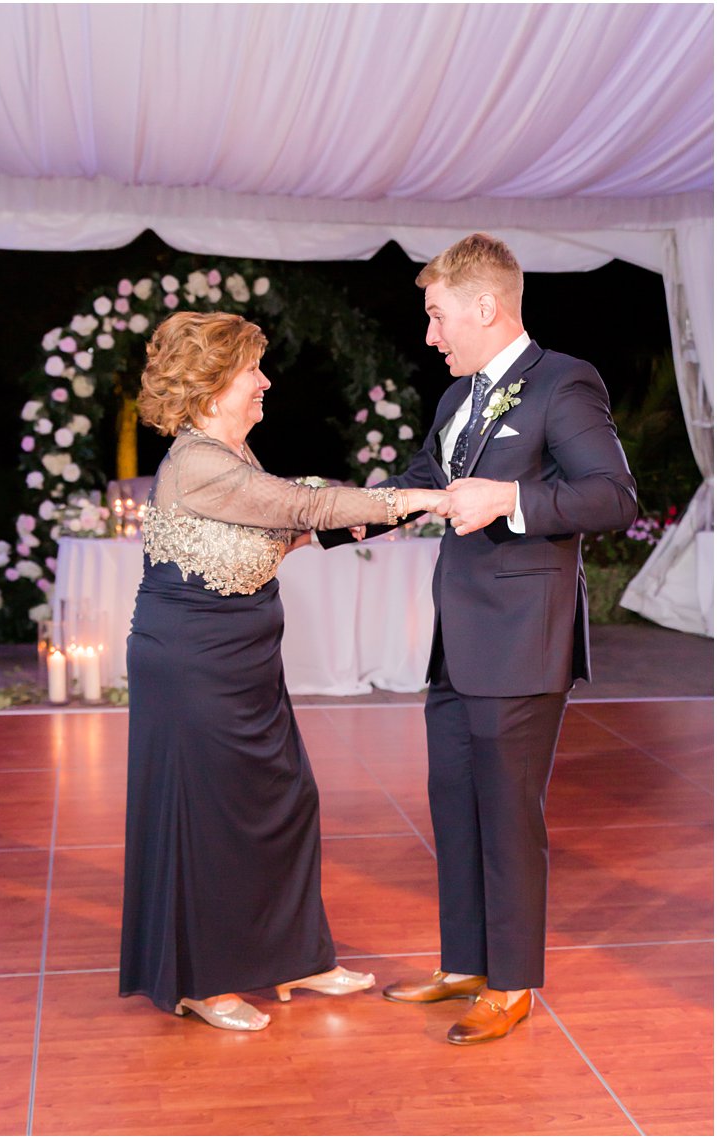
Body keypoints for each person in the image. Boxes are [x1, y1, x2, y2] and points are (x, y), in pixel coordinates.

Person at [324, 233, 637, 1044]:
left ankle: (514, 981)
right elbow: (419, 484)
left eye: (437, 316)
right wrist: (322, 519)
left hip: (522, 642)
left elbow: (610, 496)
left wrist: (509, 498)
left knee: (507, 815)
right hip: (458, 644)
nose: (431, 335)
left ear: (486, 306)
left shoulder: (564, 382)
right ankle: (464, 961)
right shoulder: (456, 397)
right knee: (456, 808)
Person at [118, 311, 451, 1030]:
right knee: (212, 817)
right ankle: (200, 980)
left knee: (287, 798)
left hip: (243, 660)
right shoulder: (198, 461)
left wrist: (340, 523)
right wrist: (420, 498)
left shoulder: (233, 458)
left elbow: (280, 533)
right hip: (192, 664)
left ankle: (295, 956)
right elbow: (304, 503)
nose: (264, 381)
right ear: (211, 387)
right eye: (251, 371)